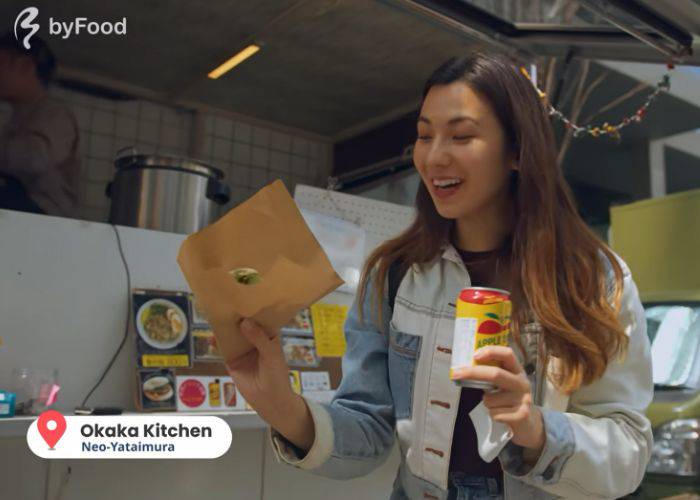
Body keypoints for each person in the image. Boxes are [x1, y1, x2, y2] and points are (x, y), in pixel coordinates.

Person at [226, 53, 653, 499]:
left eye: (462, 136)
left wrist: (537, 429)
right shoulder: (392, 274)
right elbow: (369, 430)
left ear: (516, 150)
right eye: (424, 136)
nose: (434, 157)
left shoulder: (592, 279)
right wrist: (280, 405)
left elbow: (630, 450)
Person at [0, 32, 81, 217]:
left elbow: (36, 159)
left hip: (47, 220)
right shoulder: (15, 119)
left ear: (25, 66)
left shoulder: (55, 114)